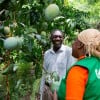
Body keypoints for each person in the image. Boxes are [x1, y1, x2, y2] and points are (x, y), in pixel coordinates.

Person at [58, 28, 100, 100]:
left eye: (75, 41)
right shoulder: (97, 63)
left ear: (80, 45)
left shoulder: (79, 69)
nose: (72, 44)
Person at [40, 29, 76, 100]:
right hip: (49, 91)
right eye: (55, 36)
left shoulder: (68, 51)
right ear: (51, 38)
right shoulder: (47, 53)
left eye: (60, 37)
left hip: (62, 91)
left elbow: (70, 73)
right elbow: (44, 73)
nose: (58, 38)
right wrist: (41, 93)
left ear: (63, 38)